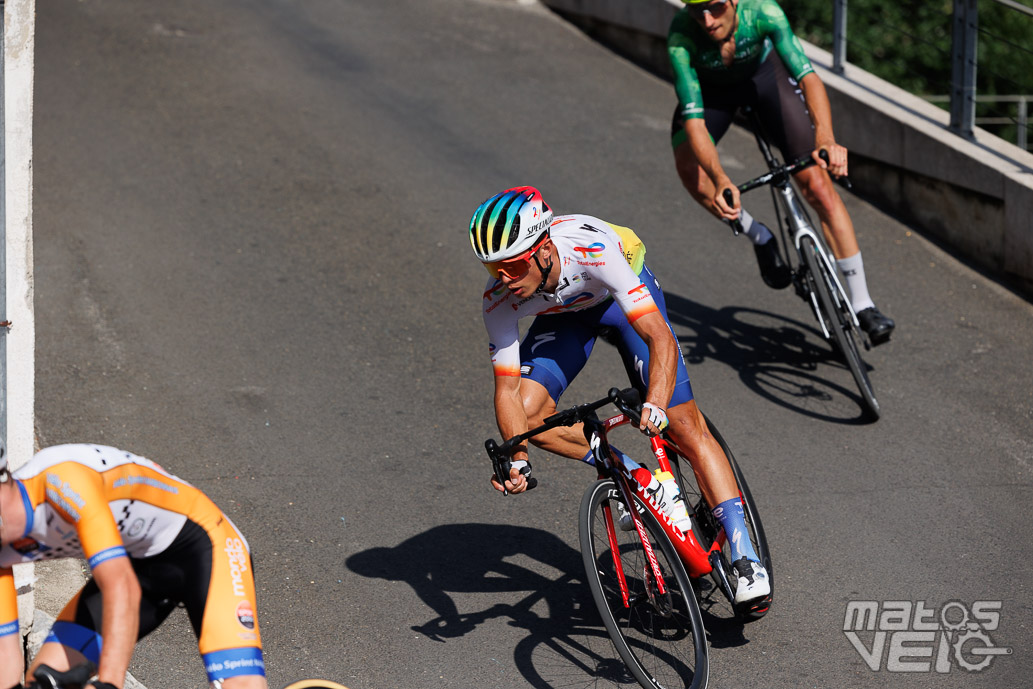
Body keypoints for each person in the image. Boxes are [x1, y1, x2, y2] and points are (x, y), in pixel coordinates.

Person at [471, 186, 769, 606]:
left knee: (683, 424)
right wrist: (517, 457)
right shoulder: (498, 298)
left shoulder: (590, 248)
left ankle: (743, 553)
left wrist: (656, 403)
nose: (503, 279)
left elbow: (658, 335)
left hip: (617, 296)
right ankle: (633, 475)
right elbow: (507, 390)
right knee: (530, 414)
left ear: (544, 249)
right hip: (567, 316)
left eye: (512, 267)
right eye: (493, 267)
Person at [669, 0, 895, 344]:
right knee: (689, 167)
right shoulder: (682, 36)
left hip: (764, 80)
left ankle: (863, 304)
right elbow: (695, 122)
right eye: (696, 10)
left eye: (714, 7)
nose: (707, 19)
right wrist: (721, 178)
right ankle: (758, 234)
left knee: (817, 185)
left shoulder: (763, 12)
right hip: (712, 92)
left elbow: (808, 77)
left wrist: (825, 137)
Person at [0, 441, 267, 689]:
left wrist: (110, 683)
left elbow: (121, 587)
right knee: (43, 677)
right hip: (138, 567)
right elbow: (5, 650)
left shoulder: (60, 481)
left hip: (204, 544)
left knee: (239, 684)